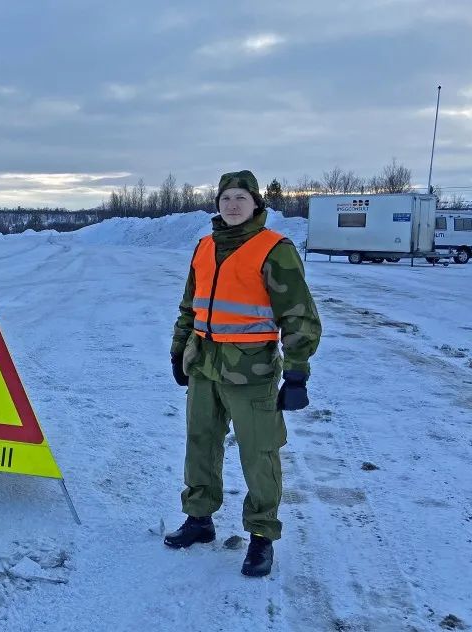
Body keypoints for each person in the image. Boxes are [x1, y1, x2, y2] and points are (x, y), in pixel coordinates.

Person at [165, 170, 321, 577]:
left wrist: (298, 373)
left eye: (241, 198)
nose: (232, 205)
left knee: (259, 453)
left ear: (256, 204)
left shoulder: (275, 249)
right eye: (226, 198)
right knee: (200, 443)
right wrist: (179, 350)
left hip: (251, 372)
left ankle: (261, 536)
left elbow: (300, 316)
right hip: (203, 366)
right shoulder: (203, 247)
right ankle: (199, 519)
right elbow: (189, 307)